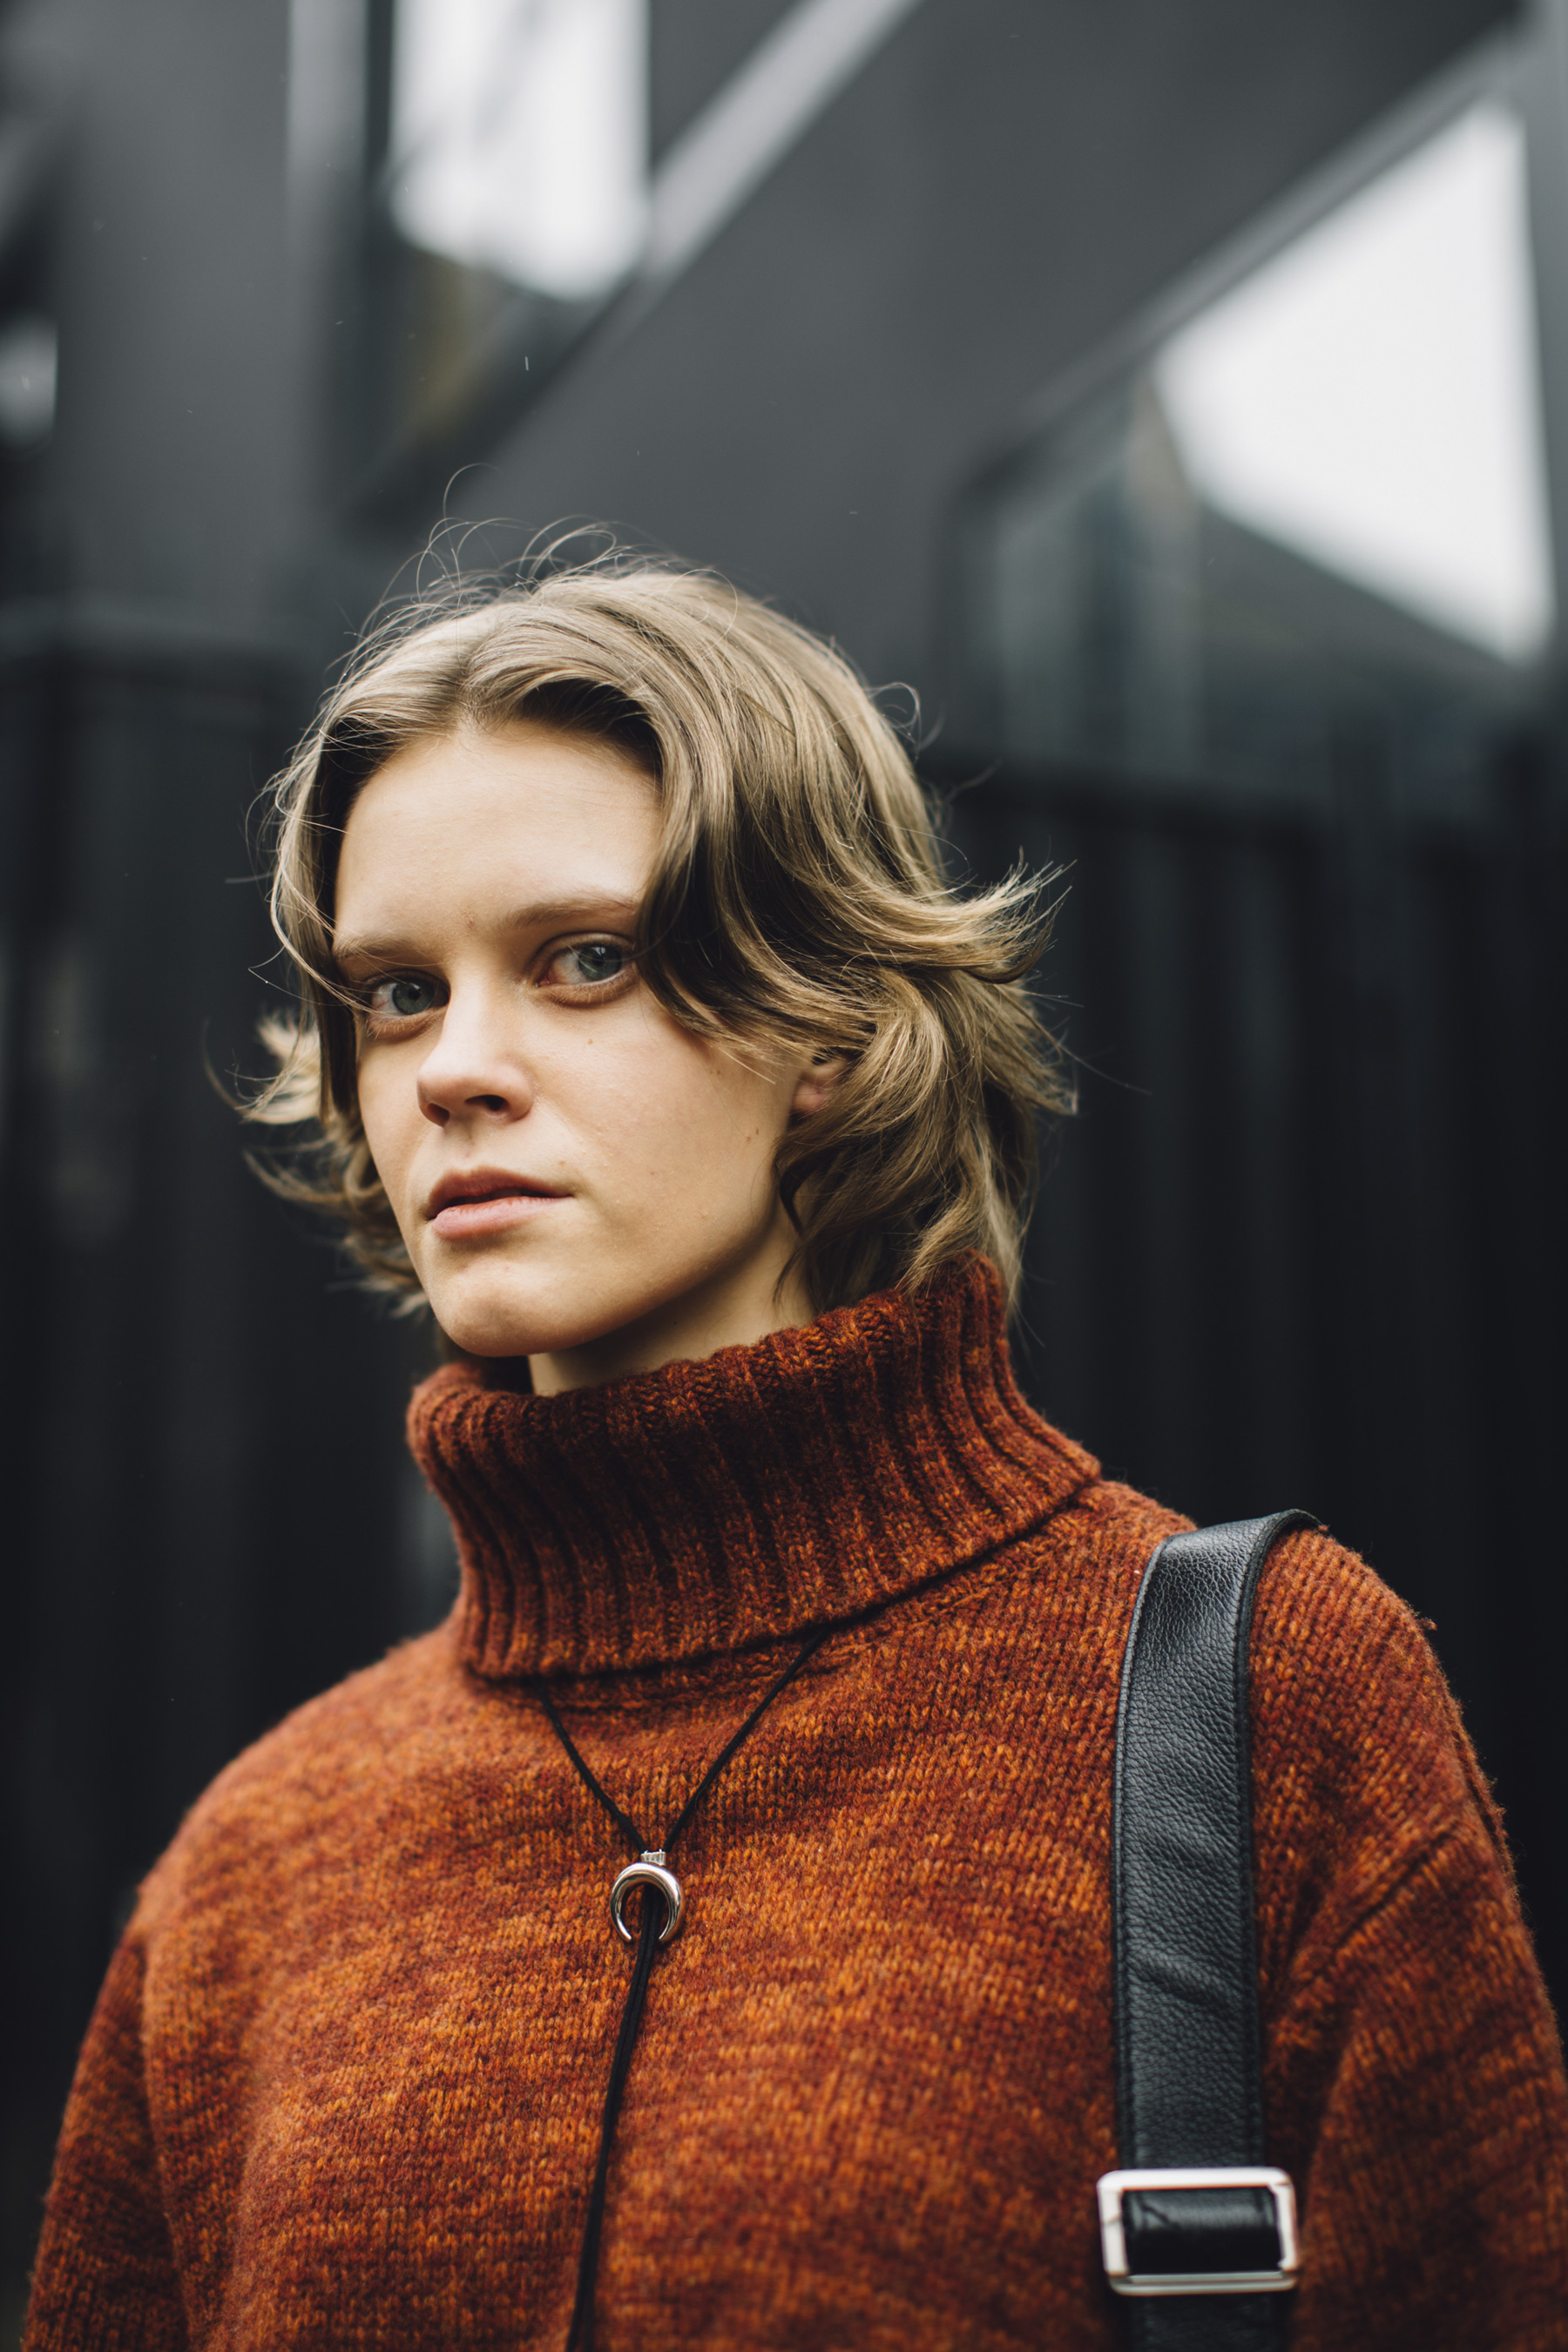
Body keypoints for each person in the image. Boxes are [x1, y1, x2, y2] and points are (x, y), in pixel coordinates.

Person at [24, 558, 1568, 2350]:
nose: (455, 1068)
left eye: (584, 958)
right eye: (396, 991)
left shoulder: (1267, 1711)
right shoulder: (254, 1870)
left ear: (824, 1016)